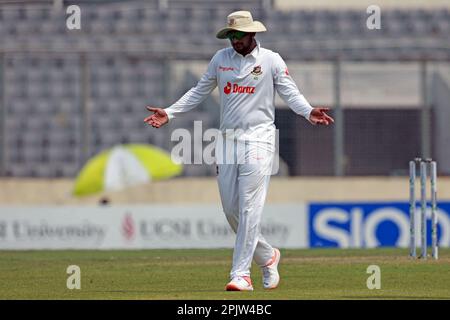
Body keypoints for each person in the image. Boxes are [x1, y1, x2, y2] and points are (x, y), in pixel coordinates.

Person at [144, 11, 334, 291]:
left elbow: (289, 92)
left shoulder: (271, 60)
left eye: (239, 35)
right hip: (227, 141)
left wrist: (307, 111)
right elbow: (199, 90)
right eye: (231, 35)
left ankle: (241, 274)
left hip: (260, 139)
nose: (234, 40)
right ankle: (268, 256)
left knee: (248, 207)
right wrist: (170, 113)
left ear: (252, 34)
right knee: (232, 210)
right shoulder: (220, 60)